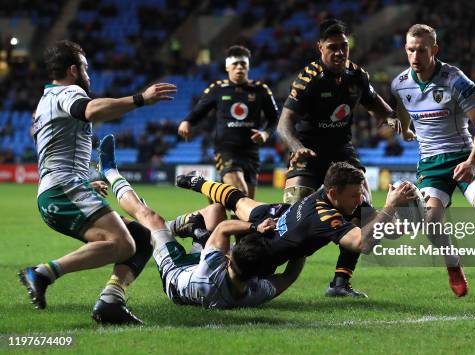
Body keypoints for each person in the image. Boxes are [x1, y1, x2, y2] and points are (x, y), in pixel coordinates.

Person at [19, 40, 177, 324]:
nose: (89, 75)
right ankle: (43, 273)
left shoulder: (44, 103)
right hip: (62, 189)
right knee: (124, 244)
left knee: (141, 237)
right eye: (86, 68)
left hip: (61, 191)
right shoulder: (69, 91)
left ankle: (110, 302)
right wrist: (140, 99)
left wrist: (84, 182)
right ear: (73, 70)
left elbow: (55, 149)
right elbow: (90, 110)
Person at [390, 24, 475, 299]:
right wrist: (405, 129)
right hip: (430, 163)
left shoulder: (456, 80)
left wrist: (472, 161)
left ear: (435, 50)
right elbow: (402, 106)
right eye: (410, 50)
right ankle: (454, 266)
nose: (415, 56)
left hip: (464, 155)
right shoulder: (399, 83)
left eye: (422, 50)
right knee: (431, 222)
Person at [98, 135, 304, 308]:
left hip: (176, 272)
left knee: (149, 216)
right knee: (215, 209)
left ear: (228, 259)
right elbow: (288, 277)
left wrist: (255, 227)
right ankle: (175, 228)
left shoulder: (212, 272)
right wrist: (301, 243)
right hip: (201, 266)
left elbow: (223, 229)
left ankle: (109, 171)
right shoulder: (256, 292)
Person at [277, 19, 403, 297]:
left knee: (363, 212)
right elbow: (283, 124)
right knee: (290, 219)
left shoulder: (358, 76)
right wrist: (296, 146)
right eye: (332, 47)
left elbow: (381, 111)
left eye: (344, 47)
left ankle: (340, 283)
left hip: (342, 153)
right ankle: (258, 268)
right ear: (319, 48)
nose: (339, 53)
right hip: (308, 151)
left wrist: (399, 122)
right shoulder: (308, 79)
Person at [175, 162, 417, 277]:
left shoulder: (335, 196)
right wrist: (389, 207)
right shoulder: (324, 216)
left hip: (274, 215)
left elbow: (386, 229)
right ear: (333, 194)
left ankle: (197, 182)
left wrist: (406, 215)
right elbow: (361, 243)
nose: (359, 200)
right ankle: (199, 232)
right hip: (262, 248)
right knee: (216, 271)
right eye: (355, 195)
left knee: (238, 201)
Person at [178, 45, 278, 199]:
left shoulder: (260, 90)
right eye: (235, 64)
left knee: (246, 208)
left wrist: (265, 133)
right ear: (227, 66)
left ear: (248, 66)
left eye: (243, 64)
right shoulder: (218, 89)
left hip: (251, 152)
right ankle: (203, 185)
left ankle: (213, 192)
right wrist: (187, 121)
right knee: (240, 193)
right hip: (226, 149)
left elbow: (274, 118)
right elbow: (199, 110)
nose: (239, 68)